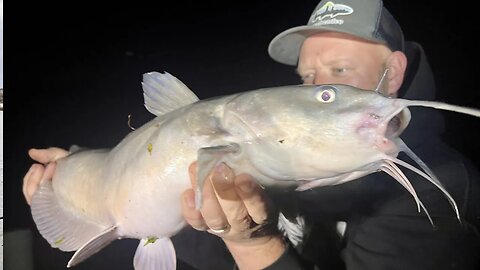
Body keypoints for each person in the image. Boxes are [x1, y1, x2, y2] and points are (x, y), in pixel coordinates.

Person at [23, 0, 480, 269]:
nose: (319, 87)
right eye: (308, 79)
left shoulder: (437, 193)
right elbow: (199, 237)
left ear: (394, 72)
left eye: (337, 76)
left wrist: (252, 242)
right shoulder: (279, 157)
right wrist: (70, 171)